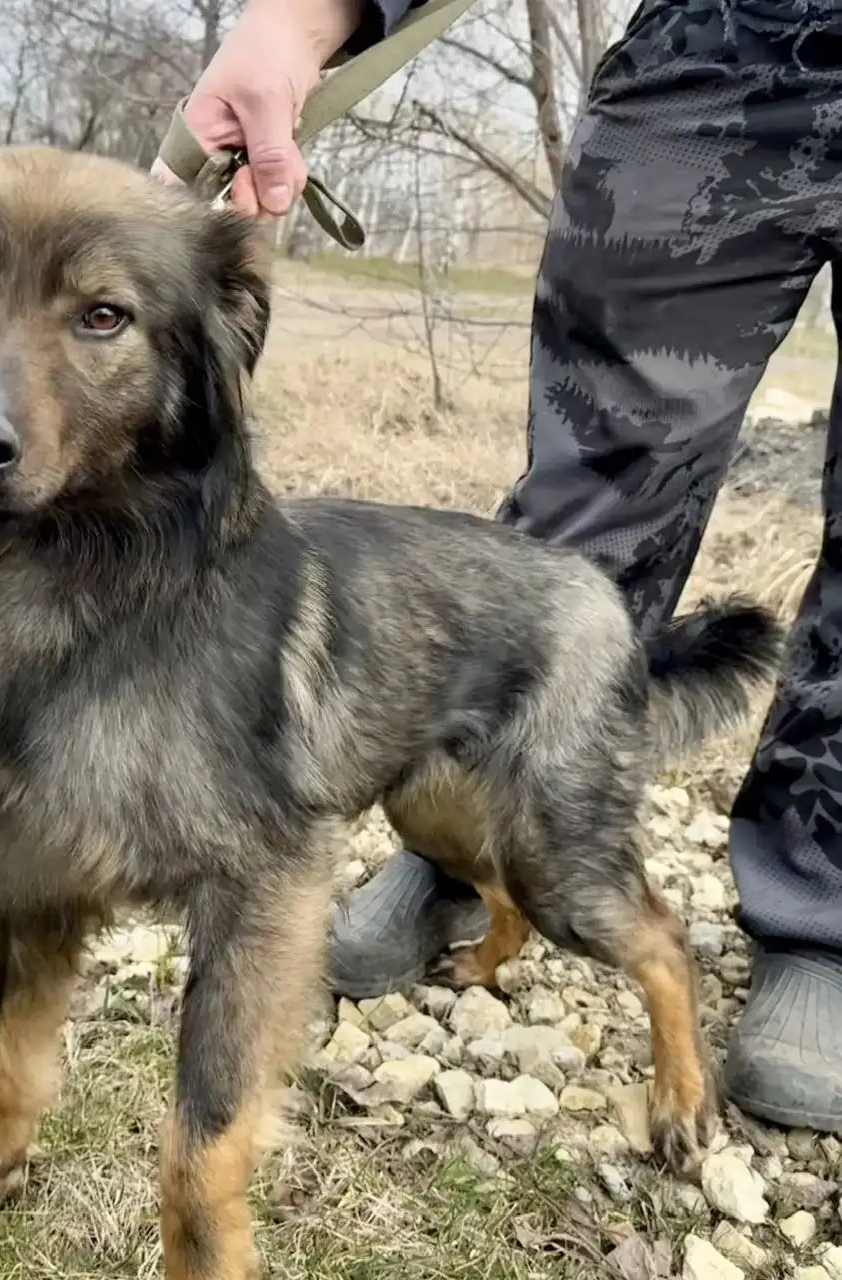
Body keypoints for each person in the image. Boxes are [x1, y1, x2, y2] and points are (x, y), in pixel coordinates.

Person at [154, 0, 842, 1134]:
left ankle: (819, 906)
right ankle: (471, 833)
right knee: (586, 503)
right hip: (724, 48)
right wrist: (302, 17)